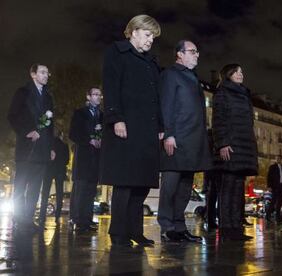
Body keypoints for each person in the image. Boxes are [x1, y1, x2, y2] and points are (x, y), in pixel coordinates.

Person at [100, 15, 163, 248]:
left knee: (142, 183)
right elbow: (111, 86)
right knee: (125, 182)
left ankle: (135, 231)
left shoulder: (151, 61)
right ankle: (118, 233)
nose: (150, 41)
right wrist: (116, 118)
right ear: (134, 31)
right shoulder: (116, 52)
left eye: (153, 38)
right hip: (126, 126)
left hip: (147, 130)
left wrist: (161, 127)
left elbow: (157, 98)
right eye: (148, 35)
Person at [158, 40, 212, 242]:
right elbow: (166, 105)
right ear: (180, 54)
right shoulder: (170, 74)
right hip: (177, 138)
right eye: (193, 51)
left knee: (185, 187)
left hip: (193, 139)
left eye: (197, 51)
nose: (197, 55)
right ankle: (167, 226)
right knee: (170, 185)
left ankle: (179, 227)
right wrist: (168, 133)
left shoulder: (193, 77)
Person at [212, 64, 258, 241]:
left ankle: (236, 228)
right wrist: (222, 143)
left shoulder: (244, 94)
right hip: (230, 145)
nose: (241, 74)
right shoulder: (223, 93)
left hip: (243, 146)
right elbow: (218, 120)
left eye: (242, 71)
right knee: (228, 187)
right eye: (237, 71)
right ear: (228, 75)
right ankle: (226, 229)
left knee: (238, 188)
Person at [7, 63, 54, 232]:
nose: (46, 75)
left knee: (35, 186)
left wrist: (51, 147)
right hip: (26, 147)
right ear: (33, 74)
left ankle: (28, 219)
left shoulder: (48, 97)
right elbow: (12, 115)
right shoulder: (23, 92)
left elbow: (51, 125)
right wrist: (26, 131)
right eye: (42, 72)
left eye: (47, 73)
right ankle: (18, 218)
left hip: (42, 149)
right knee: (21, 184)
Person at [69, 88, 103, 232]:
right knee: (80, 189)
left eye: (100, 95)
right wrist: (89, 140)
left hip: (96, 158)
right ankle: (76, 219)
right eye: (95, 94)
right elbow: (73, 133)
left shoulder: (102, 115)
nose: (98, 97)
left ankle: (87, 219)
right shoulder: (80, 113)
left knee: (91, 190)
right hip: (83, 156)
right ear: (88, 96)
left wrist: (101, 139)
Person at [38, 131, 69, 227]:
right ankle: (57, 216)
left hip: (49, 170)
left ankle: (42, 216)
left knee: (45, 193)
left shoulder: (49, 144)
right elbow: (67, 160)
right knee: (59, 193)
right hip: (60, 171)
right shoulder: (64, 145)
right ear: (61, 135)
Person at [266, 155, 282, 222]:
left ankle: (278, 217)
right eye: (277, 159)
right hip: (275, 186)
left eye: (279, 159)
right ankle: (268, 215)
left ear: (281, 159)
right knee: (273, 201)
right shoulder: (272, 167)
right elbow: (269, 177)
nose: (278, 160)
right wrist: (269, 186)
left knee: (280, 202)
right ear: (275, 159)